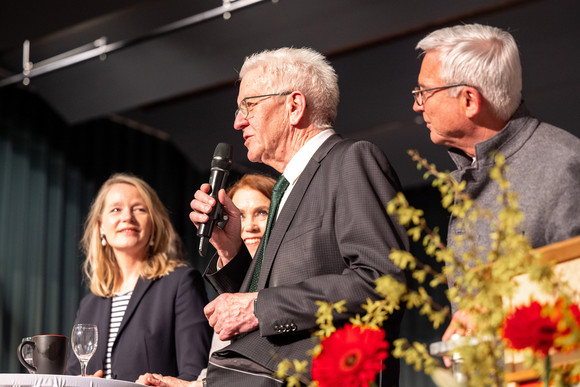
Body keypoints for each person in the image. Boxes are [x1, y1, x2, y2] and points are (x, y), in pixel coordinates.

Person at [141, 47, 409, 387]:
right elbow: (265, 302)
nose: (238, 121)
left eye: (248, 106)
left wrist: (258, 306)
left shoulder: (350, 161)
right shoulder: (287, 188)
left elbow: (380, 282)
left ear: (294, 106)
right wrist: (231, 251)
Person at [411, 24, 580, 342]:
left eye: (424, 92)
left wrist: (497, 310)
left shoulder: (564, 164)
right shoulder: (474, 168)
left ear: (469, 101)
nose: (418, 105)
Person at [66, 173, 212, 381]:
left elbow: (196, 373)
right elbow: (73, 376)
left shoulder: (181, 283)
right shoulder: (88, 304)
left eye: (139, 209)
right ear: (100, 227)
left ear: (153, 225)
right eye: (116, 209)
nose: (127, 217)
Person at [195, 173, 276, 382]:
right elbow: (215, 374)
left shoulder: (286, 283)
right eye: (239, 216)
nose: (249, 226)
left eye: (261, 213)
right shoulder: (230, 294)